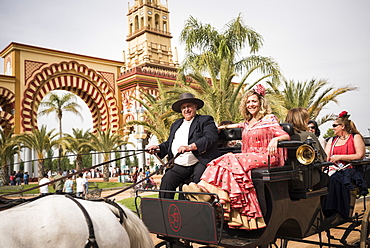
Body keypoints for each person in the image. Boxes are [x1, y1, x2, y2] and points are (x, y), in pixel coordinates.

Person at [183, 84, 290, 230]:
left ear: (261, 103)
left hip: (266, 156)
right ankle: (206, 192)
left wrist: (275, 139)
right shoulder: (248, 122)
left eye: (254, 101)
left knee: (228, 157)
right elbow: (238, 125)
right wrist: (223, 127)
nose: (251, 104)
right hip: (250, 157)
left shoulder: (269, 119)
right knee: (220, 161)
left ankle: (205, 191)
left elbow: (285, 135)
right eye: (248, 102)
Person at [147, 92, 220, 199]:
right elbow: (169, 143)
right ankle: (164, 211)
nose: (186, 109)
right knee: (167, 180)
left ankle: (193, 210)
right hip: (180, 164)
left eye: (189, 106)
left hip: (199, 161)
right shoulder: (176, 124)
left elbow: (210, 138)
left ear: (195, 107)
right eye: (183, 107)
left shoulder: (205, 120)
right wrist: (158, 148)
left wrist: (190, 147)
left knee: (196, 184)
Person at [322, 111, 367, 219]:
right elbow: (327, 156)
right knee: (322, 179)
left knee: (335, 179)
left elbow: (359, 155)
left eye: (334, 125)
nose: (332, 128)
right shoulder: (332, 140)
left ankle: (335, 211)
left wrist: (339, 157)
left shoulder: (355, 137)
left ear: (342, 126)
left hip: (351, 169)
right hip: (334, 169)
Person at [285, 107, 328, 189]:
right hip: (309, 180)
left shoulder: (283, 136)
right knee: (333, 180)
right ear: (303, 120)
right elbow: (323, 159)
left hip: (287, 179)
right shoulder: (309, 136)